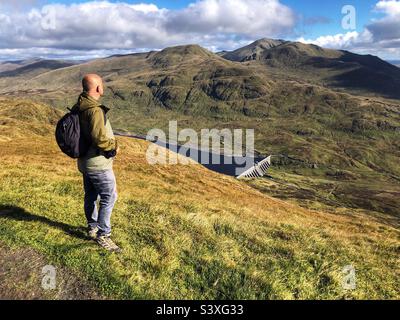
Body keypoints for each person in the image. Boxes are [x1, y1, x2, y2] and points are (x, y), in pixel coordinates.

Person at [71, 74, 121, 252]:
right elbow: (99, 138)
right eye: (102, 85)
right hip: (98, 164)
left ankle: (92, 226)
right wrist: (113, 147)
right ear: (98, 88)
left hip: (85, 162)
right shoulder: (94, 109)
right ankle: (103, 235)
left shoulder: (80, 105)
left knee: (91, 195)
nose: (103, 87)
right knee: (109, 196)